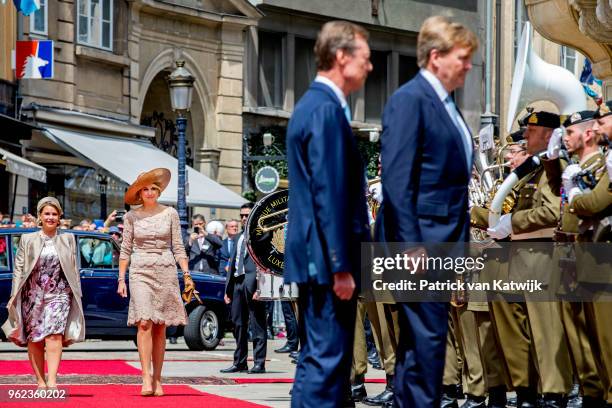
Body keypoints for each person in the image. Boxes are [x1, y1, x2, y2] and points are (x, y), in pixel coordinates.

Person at [376, 15, 478, 408]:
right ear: (436, 57)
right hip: (420, 245)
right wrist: (412, 244)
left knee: (421, 347)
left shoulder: (444, 102)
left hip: (442, 243)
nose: (468, 65)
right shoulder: (410, 100)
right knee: (428, 343)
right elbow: (397, 180)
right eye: (463, 57)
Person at [285, 20, 372, 407]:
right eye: (365, 58)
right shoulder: (323, 110)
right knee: (326, 362)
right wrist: (340, 265)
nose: (370, 67)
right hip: (328, 261)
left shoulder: (316, 106)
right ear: (341, 57)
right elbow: (328, 192)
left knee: (320, 361)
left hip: (320, 257)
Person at [116, 168, 194, 397]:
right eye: (145, 189)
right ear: (139, 193)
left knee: (160, 327)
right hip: (139, 270)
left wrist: (186, 274)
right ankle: (146, 377)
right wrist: (121, 279)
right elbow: (125, 249)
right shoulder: (131, 216)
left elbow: (178, 246)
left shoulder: (170, 213)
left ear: (158, 191)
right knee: (144, 323)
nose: (149, 192)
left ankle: (158, 378)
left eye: (153, 188)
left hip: (166, 270)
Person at [1, 197, 85, 389]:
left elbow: (73, 268)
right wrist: (14, 296)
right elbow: (19, 269)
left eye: (54, 214)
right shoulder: (28, 239)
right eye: (47, 213)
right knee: (35, 337)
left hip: (59, 293)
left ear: (59, 216)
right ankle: (40, 381)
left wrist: (76, 294)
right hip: (33, 294)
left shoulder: (68, 238)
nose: (50, 217)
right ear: (40, 216)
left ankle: (53, 381)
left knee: (55, 335)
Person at [221, 202, 268, 374]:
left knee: (257, 325)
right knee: (238, 325)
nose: (243, 218)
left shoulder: (261, 235)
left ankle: (259, 363)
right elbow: (232, 263)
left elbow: (264, 264)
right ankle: (240, 362)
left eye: (247, 215)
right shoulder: (238, 236)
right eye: (241, 215)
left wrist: (260, 288)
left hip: (255, 285)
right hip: (238, 284)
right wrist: (228, 290)